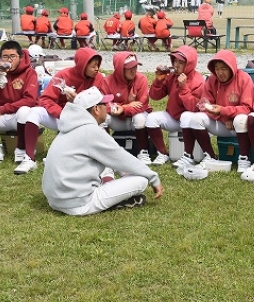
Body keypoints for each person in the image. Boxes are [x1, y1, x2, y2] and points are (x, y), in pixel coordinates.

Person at [42, 87, 163, 216]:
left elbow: (113, 158)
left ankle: (111, 191)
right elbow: (121, 158)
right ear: (96, 109)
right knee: (141, 180)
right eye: (104, 104)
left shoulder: (69, 127)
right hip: (79, 204)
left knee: (106, 159)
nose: (108, 107)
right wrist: (153, 177)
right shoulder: (90, 131)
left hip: (55, 201)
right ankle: (113, 201)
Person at [15, 47, 105, 175]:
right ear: (83, 65)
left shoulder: (99, 78)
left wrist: (78, 101)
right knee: (34, 112)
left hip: (85, 120)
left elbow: (101, 105)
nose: (97, 69)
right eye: (93, 66)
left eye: (98, 65)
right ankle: (29, 158)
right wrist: (62, 113)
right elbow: (46, 99)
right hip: (62, 116)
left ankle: (67, 158)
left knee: (103, 123)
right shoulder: (63, 75)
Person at [175, 50, 254, 170]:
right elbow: (204, 105)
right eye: (217, 69)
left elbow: (247, 108)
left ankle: (244, 159)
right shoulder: (212, 79)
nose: (220, 73)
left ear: (232, 67)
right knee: (196, 118)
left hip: (239, 125)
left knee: (241, 119)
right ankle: (210, 156)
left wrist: (225, 112)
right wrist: (223, 117)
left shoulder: (244, 78)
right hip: (222, 122)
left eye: (224, 69)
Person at [145, 46, 205, 165]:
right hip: (174, 118)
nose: (176, 65)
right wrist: (158, 81)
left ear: (189, 64)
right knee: (151, 118)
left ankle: (188, 156)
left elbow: (194, 108)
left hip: (192, 122)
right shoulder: (172, 76)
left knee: (186, 116)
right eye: (175, 61)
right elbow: (155, 96)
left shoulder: (198, 80)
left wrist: (184, 88)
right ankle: (162, 153)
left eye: (181, 62)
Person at [101, 52, 153, 164]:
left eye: (135, 66)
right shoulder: (107, 81)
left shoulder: (141, 78)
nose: (133, 70)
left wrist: (124, 109)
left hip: (136, 120)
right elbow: (105, 104)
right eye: (129, 68)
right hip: (118, 121)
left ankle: (143, 152)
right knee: (102, 118)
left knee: (140, 118)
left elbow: (142, 104)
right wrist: (125, 106)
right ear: (120, 69)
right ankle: (107, 151)